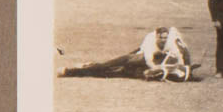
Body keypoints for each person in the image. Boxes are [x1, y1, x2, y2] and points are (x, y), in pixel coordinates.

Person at [58, 26, 194, 80]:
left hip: (150, 59)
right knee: (109, 66)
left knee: (116, 74)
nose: (163, 40)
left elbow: (184, 54)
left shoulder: (172, 41)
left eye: (165, 38)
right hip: (141, 56)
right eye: (161, 38)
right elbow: (149, 61)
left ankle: (87, 67)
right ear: (156, 36)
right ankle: (73, 70)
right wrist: (157, 69)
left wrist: (186, 67)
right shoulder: (150, 40)